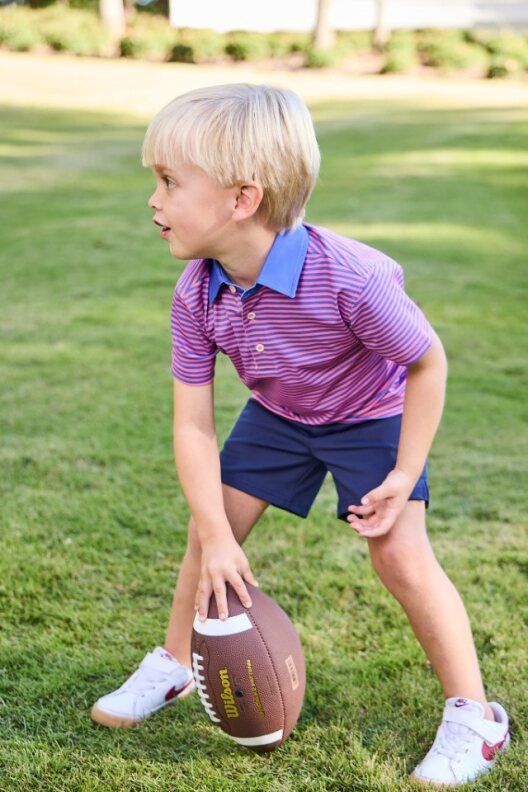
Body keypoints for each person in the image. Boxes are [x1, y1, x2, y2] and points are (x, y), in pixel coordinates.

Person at [90, 84, 509, 786]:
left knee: (399, 556)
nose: (154, 201)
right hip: (281, 415)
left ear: (242, 199)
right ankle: (172, 666)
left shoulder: (351, 279)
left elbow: (427, 362)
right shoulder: (198, 291)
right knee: (208, 535)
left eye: (169, 182)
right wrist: (218, 533)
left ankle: (476, 717)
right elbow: (192, 423)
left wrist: (404, 474)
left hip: (370, 415)